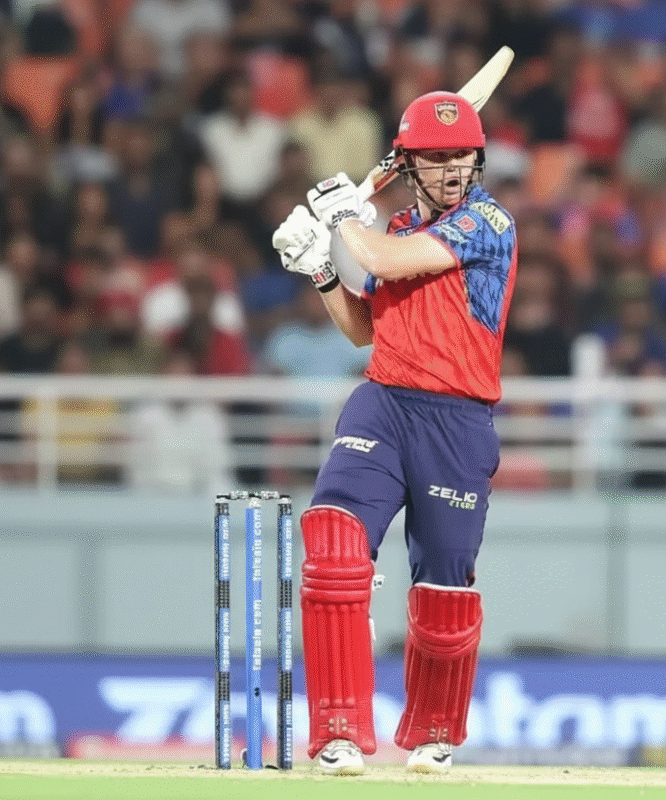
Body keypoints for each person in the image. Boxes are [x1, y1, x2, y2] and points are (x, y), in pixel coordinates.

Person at [271, 91, 517, 775]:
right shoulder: (402, 225)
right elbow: (362, 329)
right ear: (408, 165)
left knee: (444, 585)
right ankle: (338, 733)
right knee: (333, 542)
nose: (451, 169)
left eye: (461, 156)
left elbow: (382, 260)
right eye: (435, 158)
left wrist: (343, 221)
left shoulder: (488, 222)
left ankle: (434, 733)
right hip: (382, 403)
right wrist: (322, 270)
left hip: (457, 420)